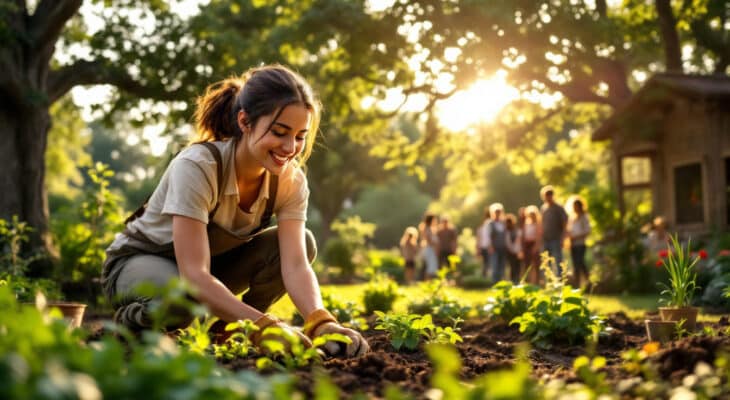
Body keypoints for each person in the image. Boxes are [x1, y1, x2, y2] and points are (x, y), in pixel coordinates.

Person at [101, 64, 368, 357]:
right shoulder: (199, 166)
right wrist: (264, 327)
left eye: (300, 136)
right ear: (245, 121)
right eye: (280, 132)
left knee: (303, 242)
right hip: (140, 262)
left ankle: (230, 330)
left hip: (207, 267)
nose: (290, 147)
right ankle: (131, 324)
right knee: (181, 301)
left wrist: (321, 322)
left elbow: (295, 264)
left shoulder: (290, 181)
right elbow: (195, 274)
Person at [540, 185, 568, 277]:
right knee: (546, 261)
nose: (548, 197)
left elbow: (564, 223)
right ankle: (549, 279)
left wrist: (563, 238)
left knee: (558, 260)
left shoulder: (559, 208)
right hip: (546, 239)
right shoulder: (544, 208)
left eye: (549, 195)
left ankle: (560, 278)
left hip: (556, 238)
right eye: (546, 195)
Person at [567, 198, 591, 288]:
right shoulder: (572, 217)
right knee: (575, 264)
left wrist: (576, 236)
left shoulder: (584, 217)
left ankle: (588, 282)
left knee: (580, 263)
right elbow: (569, 230)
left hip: (580, 244)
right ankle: (577, 285)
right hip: (573, 244)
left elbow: (587, 231)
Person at [486, 203, 508, 283]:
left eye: (499, 212)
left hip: (503, 247)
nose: (498, 214)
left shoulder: (503, 223)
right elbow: (488, 236)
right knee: (494, 266)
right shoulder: (490, 223)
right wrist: (490, 246)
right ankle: (494, 283)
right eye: (496, 212)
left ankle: (501, 282)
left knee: (502, 266)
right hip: (494, 248)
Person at [522, 205, 542, 285]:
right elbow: (524, 236)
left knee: (536, 264)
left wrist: (536, 246)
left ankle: (536, 281)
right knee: (527, 264)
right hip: (527, 245)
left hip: (534, 244)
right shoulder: (526, 224)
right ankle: (528, 281)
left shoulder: (537, 224)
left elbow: (538, 236)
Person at [419, 213, 440, 279]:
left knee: (430, 267)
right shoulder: (427, 229)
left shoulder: (430, 228)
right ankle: (427, 282)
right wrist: (435, 246)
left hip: (431, 249)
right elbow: (429, 241)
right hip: (430, 250)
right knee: (430, 267)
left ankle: (429, 282)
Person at [504, 213, 523, 284]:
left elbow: (519, 241)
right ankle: (512, 281)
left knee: (518, 267)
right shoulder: (506, 232)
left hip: (517, 251)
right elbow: (507, 242)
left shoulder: (517, 231)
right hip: (510, 252)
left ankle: (517, 280)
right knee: (512, 267)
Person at [476, 208, 492, 279]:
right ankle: (486, 277)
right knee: (488, 263)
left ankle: (485, 277)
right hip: (488, 246)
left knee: (486, 263)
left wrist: (478, 247)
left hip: (484, 246)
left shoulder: (484, 224)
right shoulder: (490, 223)